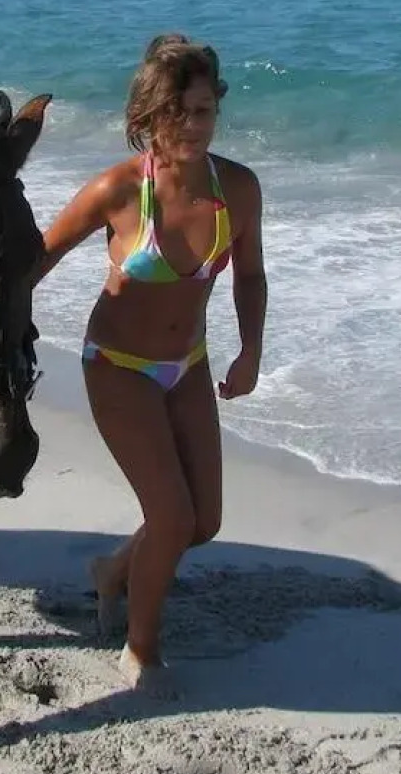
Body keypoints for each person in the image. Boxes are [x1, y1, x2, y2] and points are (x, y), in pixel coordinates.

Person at [36, 34, 267, 695]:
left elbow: (249, 277)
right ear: (147, 120)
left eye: (202, 110)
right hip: (117, 365)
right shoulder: (116, 190)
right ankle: (141, 651)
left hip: (187, 364)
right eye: (176, 113)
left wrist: (250, 349)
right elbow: (37, 257)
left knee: (204, 522)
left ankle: (113, 571)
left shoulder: (238, 189)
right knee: (171, 517)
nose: (192, 126)